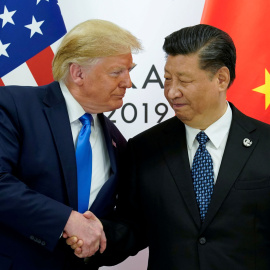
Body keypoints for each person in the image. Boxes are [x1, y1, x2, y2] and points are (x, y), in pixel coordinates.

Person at [68, 24, 270, 270]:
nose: (172, 92)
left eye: (184, 81)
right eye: (167, 79)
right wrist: (98, 235)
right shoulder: (144, 149)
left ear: (221, 79)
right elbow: (132, 227)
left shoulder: (265, 144)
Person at [0, 19, 141, 270]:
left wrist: (97, 236)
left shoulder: (118, 142)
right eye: (117, 72)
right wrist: (66, 220)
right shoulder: (13, 106)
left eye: (129, 71)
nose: (128, 83)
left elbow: (127, 221)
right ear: (78, 73)